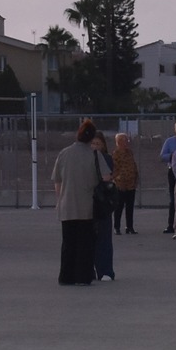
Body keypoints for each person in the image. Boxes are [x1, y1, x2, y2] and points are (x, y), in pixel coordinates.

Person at [52, 119, 102, 285]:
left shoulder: (64, 153)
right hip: (87, 206)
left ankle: (66, 276)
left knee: (68, 243)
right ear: (91, 137)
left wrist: (60, 198)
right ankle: (83, 276)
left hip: (67, 205)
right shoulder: (94, 155)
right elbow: (105, 177)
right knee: (85, 243)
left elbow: (57, 180)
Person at [90, 130, 118, 282]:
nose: (95, 146)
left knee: (104, 237)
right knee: (89, 238)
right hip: (88, 202)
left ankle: (106, 270)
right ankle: (91, 269)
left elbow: (107, 177)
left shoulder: (106, 158)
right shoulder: (85, 158)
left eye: (98, 144)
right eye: (93, 143)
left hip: (102, 203)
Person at [110, 131, 140, 235]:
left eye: (127, 140)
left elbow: (133, 165)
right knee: (119, 207)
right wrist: (118, 180)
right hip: (120, 184)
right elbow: (115, 169)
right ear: (118, 142)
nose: (127, 142)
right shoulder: (115, 154)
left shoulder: (130, 152)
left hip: (131, 184)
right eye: (124, 140)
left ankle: (129, 227)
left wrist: (136, 177)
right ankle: (117, 227)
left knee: (130, 206)